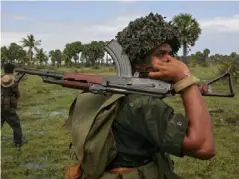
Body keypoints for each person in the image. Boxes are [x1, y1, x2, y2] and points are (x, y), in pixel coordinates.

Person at [65, 43, 215, 179]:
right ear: (139, 62)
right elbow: (203, 147)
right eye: (160, 54)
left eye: (170, 54)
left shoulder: (118, 91)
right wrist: (186, 80)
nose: (170, 60)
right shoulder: (140, 102)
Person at [1, 63, 28, 148]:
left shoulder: (1, 79)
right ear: (12, 70)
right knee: (16, 124)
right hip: (8, 107)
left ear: (4, 70)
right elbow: (17, 94)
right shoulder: (14, 81)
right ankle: (18, 142)